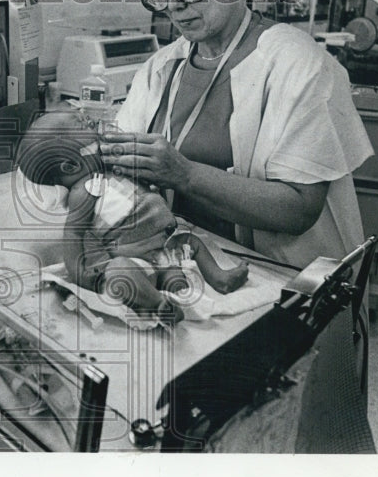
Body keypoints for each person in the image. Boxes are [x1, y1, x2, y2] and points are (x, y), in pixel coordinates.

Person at [101, 0, 375, 451]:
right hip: (202, 286)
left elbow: (298, 208)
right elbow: (129, 160)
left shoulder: (296, 62)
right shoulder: (165, 65)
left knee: (291, 451)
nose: (173, 4)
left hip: (288, 300)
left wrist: (183, 174)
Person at [15, 111, 249, 323]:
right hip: (136, 257)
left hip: (166, 245)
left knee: (192, 241)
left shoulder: (114, 166)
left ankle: (218, 278)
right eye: (84, 124)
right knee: (119, 269)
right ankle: (157, 303)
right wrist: (79, 273)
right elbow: (73, 232)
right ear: (70, 166)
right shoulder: (84, 191)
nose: (92, 121)